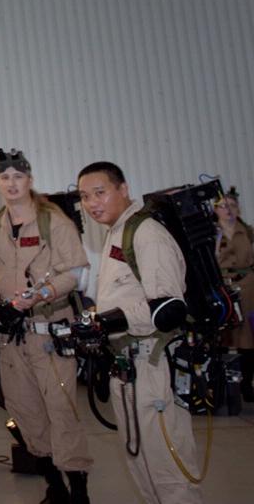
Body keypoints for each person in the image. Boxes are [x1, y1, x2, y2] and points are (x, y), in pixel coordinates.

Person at [76, 162, 204, 504]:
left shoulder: (146, 233)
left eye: (100, 192)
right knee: (142, 467)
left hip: (153, 367)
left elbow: (167, 308)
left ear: (123, 189)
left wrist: (108, 322)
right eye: (85, 197)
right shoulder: (115, 233)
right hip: (127, 368)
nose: (92, 203)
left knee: (169, 471)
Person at [0, 149, 93, 504]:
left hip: (49, 334)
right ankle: (54, 485)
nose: (11, 184)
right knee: (25, 412)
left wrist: (36, 296)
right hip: (13, 340)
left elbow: (75, 273)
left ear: (30, 180)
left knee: (61, 412)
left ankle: (79, 492)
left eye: (17, 177)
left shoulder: (53, 222)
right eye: (4, 178)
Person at [214, 186, 254, 401]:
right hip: (224, 289)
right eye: (223, 206)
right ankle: (221, 388)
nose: (228, 210)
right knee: (222, 338)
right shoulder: (212, 234)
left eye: (232, 206)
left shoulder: (247, 231)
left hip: (248, 288)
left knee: (248, 339)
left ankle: (247, 385)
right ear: (215, 210)